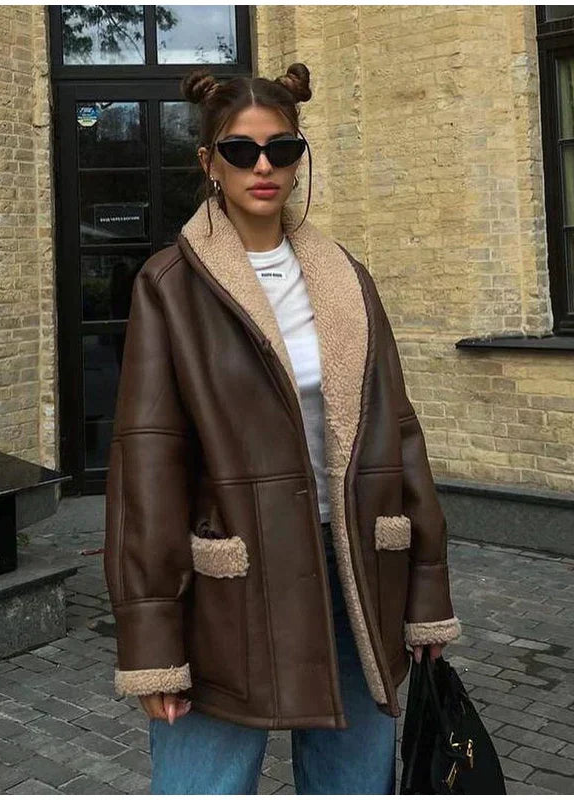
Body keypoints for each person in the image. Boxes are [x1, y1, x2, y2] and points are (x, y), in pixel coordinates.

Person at [103, 62, 461, 794]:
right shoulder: (170, 286)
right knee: (200, 786)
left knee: (355, 785)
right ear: (209, 163)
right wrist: (152, 642)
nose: (262, 166)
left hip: (355, 572)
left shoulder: (346, 280)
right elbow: (148, 464)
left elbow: (400, 433)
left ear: (300, 159)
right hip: (230, 587)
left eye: (282, 149)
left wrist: (426, 596)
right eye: (241, 150)